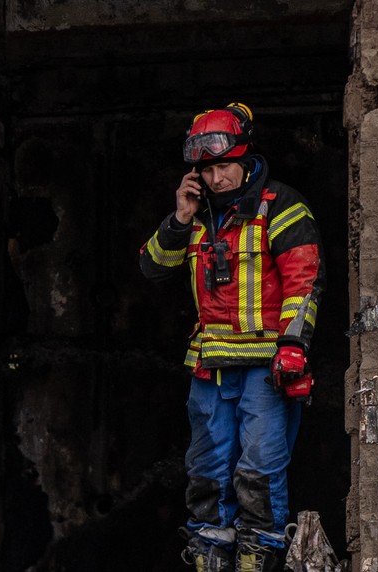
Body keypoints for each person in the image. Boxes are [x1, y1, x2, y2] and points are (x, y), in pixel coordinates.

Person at [139, 103, 325, 572]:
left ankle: (258, 552)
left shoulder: (281, 205)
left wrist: (293, 347)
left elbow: (305, 281)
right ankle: (208, 552)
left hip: (267, 366)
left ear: (245, 158)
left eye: (224, 166)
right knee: (206, 468)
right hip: (211, 367)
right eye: (208, 170)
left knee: (259, 469)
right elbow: (151, 267)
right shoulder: (197, 216)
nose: (217, 178)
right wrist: (180, 218)